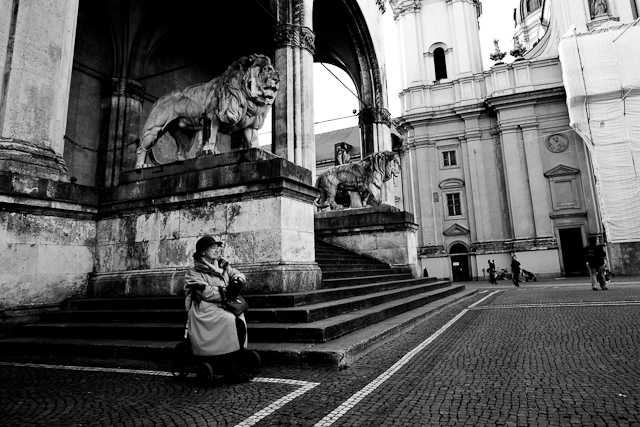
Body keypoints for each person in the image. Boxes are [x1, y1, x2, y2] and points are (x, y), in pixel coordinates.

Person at [184, 235, 248, 359]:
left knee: (240, 316)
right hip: (205, 306)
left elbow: (237, 274)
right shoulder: (194, 270)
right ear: (203, 252)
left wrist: (237, 281)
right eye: (213, 248)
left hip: (224, 303)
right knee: (228, 319)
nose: (217, 250)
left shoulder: (222, 265)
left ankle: (238, 350)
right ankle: (227, 355)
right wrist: (226, 292)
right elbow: (204, 292)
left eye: (217, 247)